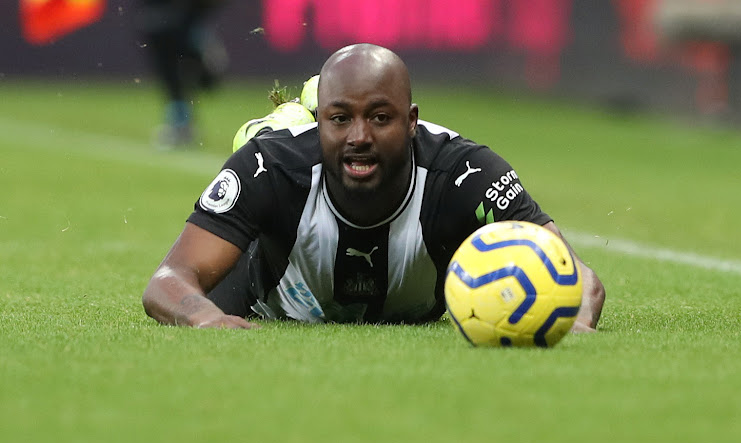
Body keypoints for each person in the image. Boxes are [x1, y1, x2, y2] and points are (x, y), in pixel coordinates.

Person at [142, 43, 605, 331]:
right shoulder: (272, 165)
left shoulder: (464, 173)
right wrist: (205, 319)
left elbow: (578, 277)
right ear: (319, 121)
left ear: (411, 121)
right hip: (268, 305)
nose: (359, 137)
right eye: (340, 119)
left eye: (380, 118)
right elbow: (168, 281)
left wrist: (576, 322)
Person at [136, 0, 229, 148]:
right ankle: (180, 122)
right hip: (161, 25)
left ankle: (182, 120)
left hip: (187, 24)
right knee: (170, 75)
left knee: (204, 78)